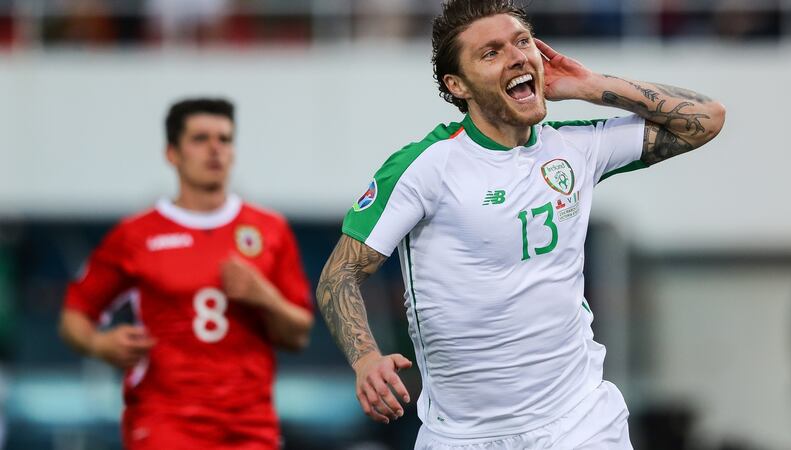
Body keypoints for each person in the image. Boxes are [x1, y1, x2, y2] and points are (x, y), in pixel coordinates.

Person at [315, 1, 725, 449]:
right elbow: (340, 275)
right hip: (463, 436)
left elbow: (706, 120)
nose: (516, 56)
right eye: (490, 53)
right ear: (458, 85)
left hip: (580, 421)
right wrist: (365, 358)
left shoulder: (576, 147)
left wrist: (592, 85)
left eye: (522, 41)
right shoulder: (426, 167)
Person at [59, 98, 314, 449]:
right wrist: (98, 343)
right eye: (200, 139)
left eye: (224, 139)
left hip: (250, 424)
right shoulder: (136, 234)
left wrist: (265, 297)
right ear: (172, 153)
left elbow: (298, 335)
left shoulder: (270, 229)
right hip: (165, 419)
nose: (215, 149)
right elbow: (75, 314)